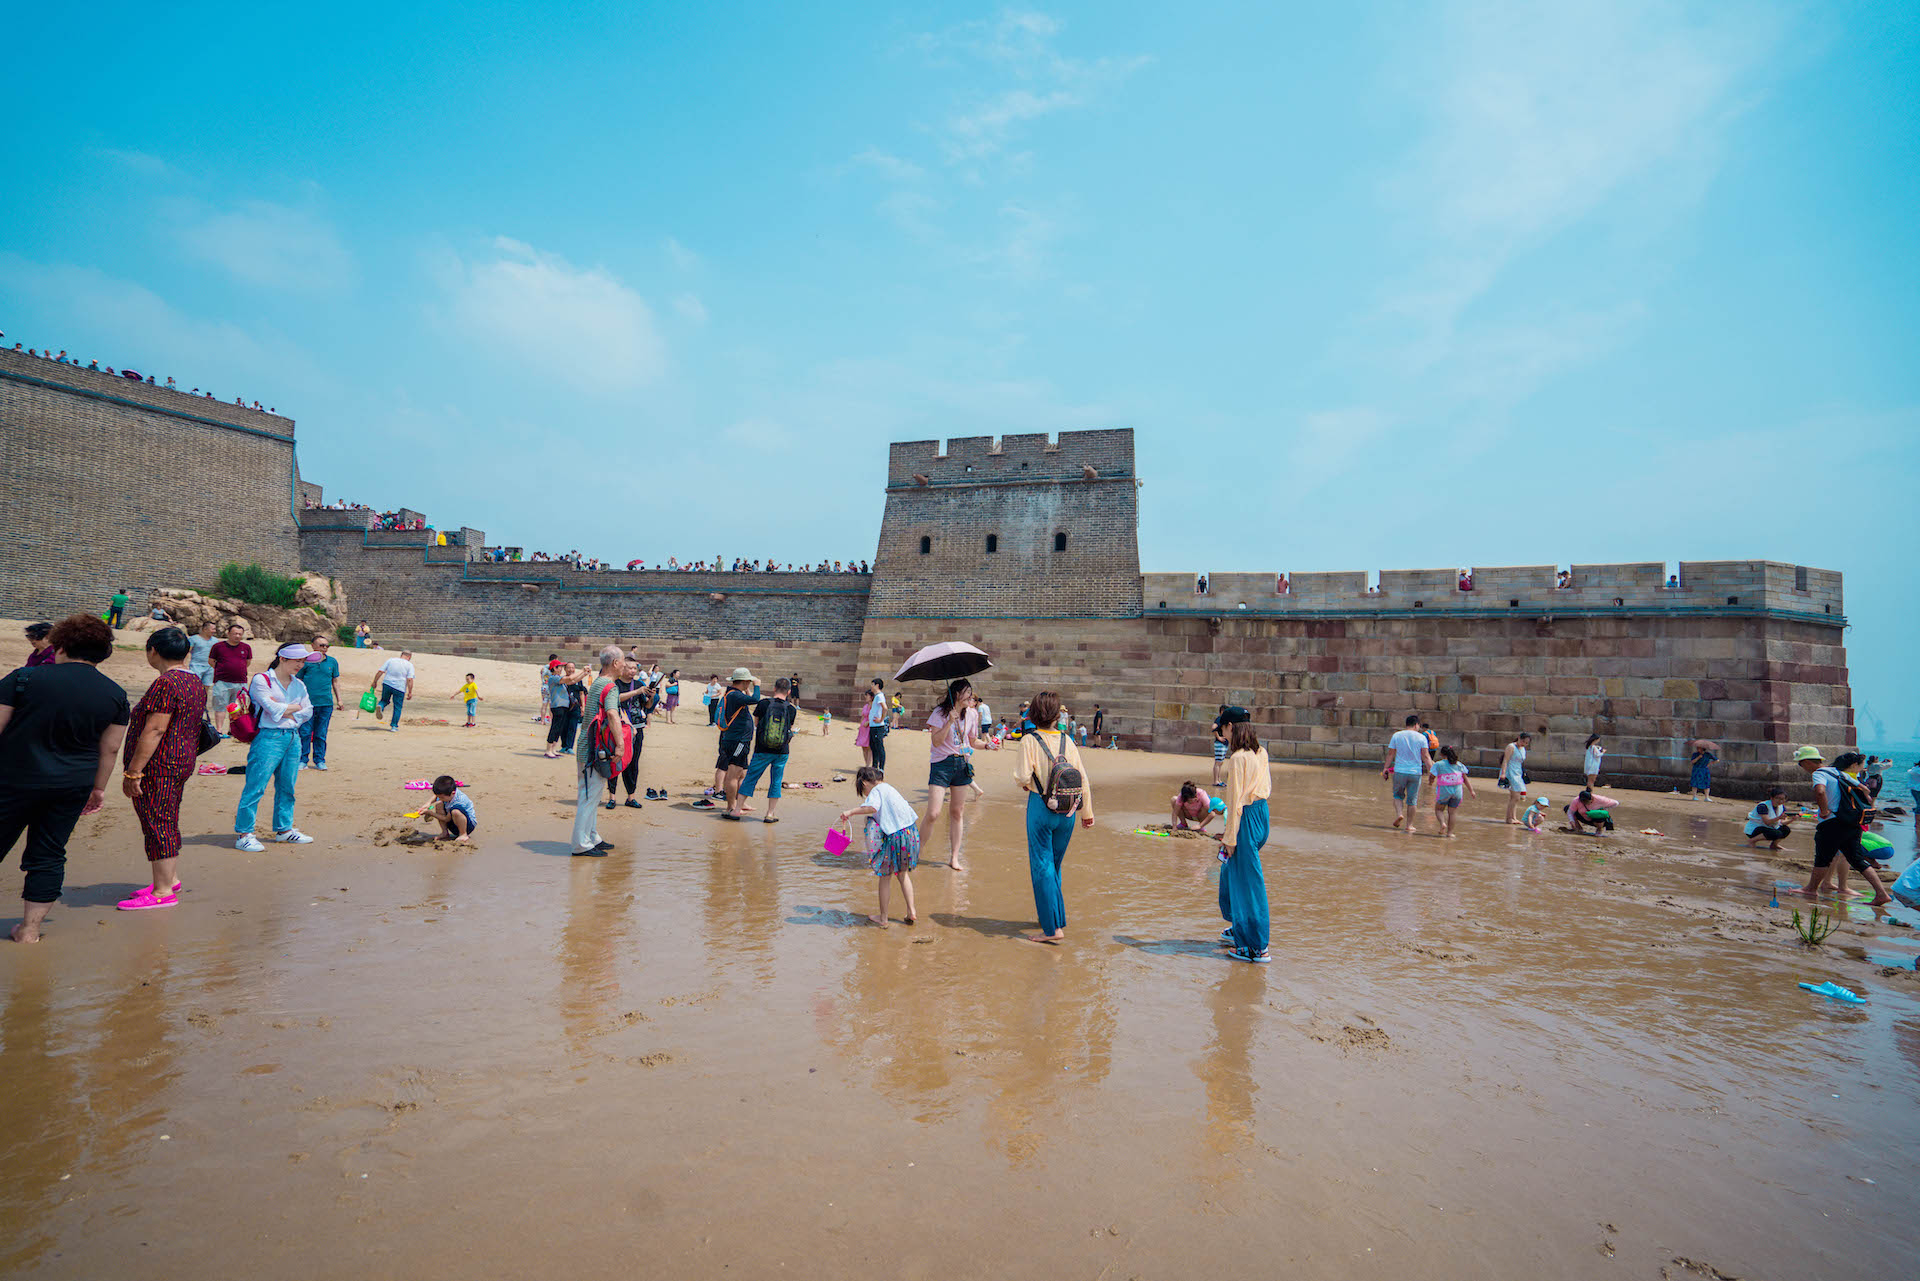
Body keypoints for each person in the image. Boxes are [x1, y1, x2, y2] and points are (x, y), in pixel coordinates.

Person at [0, 615, 131, 941]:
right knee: (48, 854)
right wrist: (98, 789)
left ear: (60, 644)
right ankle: (29, 931)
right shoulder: (114, 695)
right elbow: (110, 750)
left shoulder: (23, 679)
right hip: (72, 785)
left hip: (13, 779)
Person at [118, 627, 206, 909]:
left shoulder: (167, 683)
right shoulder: (193, 681)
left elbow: (155, 729)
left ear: (153, 651)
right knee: (165, 817)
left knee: (158, 821)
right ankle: (170, 877)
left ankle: (163, 891)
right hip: (180, 760)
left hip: (161, 765)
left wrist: (133, 771)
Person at [1015, 691, 1095, 944]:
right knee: (1055, 865)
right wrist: (1088, 813)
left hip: (1041, 807)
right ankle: (1053, 917)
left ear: (1034, 714)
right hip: (1069, 811)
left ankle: (1052, 929)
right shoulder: (1067, 741)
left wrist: (1029, 785)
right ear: (1057, 715)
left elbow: (1021, 776)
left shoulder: (1029, 740)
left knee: (1042, 864)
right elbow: (1083, 778)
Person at [233, 643, 316, 851]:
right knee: (256, 785)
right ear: (283, 658)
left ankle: (284, 829)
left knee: (287, 786)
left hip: (292, 737)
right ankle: (244, 833)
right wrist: (294, 708)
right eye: (297, 660)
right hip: (268, 737)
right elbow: (270, 708)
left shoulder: (299, 684)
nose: (301, 664)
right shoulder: (263, 680)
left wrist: (288, 710)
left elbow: (308, 711)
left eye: (303, 661)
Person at [1796, 751, 1890, 906]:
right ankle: (1882, 894)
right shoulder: (1838, 773)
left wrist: (1825, 811)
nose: (1801, 767)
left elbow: (1819, 792)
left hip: (1833, 823)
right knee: (1857, 859)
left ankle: (1811, 889)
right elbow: (1865, 791)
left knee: (1822, 857)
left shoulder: (1819, 773)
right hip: (1852, 823)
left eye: (1800, 763)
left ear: (1807, 762)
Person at [1215, 720, 1272, 963]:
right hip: (1261, 814)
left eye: (1223, 730)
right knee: (1231, 874)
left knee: (1249, 884)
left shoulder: (1238, 758)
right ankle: (1240, 927)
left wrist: (1230, 837)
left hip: (1246, 817)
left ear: (1231, 727)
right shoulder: (1260, 751)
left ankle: (1256, 947)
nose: (1222, 735)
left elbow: (1235, 800)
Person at [923, 679, 991, 870]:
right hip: (941, 764)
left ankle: (954, 857)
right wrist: (948, 722)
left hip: (962, 763)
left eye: (971, 692)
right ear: (956, 694)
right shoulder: (940, 713)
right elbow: (936, 742)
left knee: (957, 811)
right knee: (934, 812)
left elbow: (972, 741)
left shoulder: (972, 714)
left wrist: (987, 745)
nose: (970, 695)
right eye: (966, 692)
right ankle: (917, 851)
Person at [839, 766, 919, 927]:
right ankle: (911, 911)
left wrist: (850, 812)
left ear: (864, 783)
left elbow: (872, 807)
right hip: (911, 833)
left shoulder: (876, 791)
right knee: (903, 875)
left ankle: (883, 919)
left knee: (885, 877)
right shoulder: (889, 788)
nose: (864, 794)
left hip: (895, 837)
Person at [569, 646, 623, 857]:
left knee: (592, 796)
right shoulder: (609, 685)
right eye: (622, 662)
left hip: (588, 746)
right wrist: (620, 744)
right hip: (593, 749)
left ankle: (591, 837)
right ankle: (580, 844)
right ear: (615, 663)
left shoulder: (599, 683)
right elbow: (611, 713)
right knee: (588, 797)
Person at [739, 678, 799, 823]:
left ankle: (736, 810)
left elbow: (757, 724)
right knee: (776, 781)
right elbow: (788, 729)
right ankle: (770, 814)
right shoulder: (791, 709)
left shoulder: (764, 703)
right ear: (789, 692)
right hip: (782, 751)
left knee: (751, 778)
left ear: (774, 689)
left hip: (762, 749)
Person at [715, 668, 765, 818]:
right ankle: (731, 807)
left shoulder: (736, 695)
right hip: (737, 741)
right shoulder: (735, 695)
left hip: (740, 740)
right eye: (748, 681)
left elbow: (750, 701)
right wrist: (757, 685)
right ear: (744, 681)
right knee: (733, 774)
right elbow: (756, 700)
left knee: (742, 773)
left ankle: (739, 804)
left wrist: (748, 688)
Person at [607, 657, 650, 809]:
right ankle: (611, 797)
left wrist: (652, 697)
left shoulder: (639, 684)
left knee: (633, 763)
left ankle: (630, 797)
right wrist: (636, 692)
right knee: (615, 760)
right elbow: (615, 699)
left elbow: (646, 705)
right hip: (618, 728)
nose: (632, 671)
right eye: (630, 668)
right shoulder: (615, 684)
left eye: (635, 669)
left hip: (637, 728)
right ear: (622, 668)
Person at [296, 635, 340, 769]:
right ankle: (302, 760)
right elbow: (297, 681)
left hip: (326, 703)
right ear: (313, 646)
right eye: (321, 645)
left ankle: (320, 760)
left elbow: (335, 681)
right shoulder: (305, 662)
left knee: (321, 733)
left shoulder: (332, 662)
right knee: (305, 732)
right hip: (307, 704)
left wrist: (339, 700)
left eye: (327, 646)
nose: (325, 648)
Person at [1382, 714, 1432, 832]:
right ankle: (1409, 825)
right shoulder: (1421, 738)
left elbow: (1390, 754)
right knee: (1412, 800)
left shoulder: (1397, 735)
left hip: (1399, 771)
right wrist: (1431, 772)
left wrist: (1385, 768)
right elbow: (1425, 756)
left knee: (1397, 795)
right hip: (1415, 773)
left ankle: (1399, 814)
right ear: (1416, 725)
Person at [208, 622, 252, 735]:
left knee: (237, 708)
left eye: (240, 634)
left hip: (240, 682)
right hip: (222, 682)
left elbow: (247, 662)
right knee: (220, 706)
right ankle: (219, 730)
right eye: (235, 633)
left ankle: (233, 730)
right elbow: (211, 661)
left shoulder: (246, 647)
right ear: (228, 633)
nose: (237, 636)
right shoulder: (218, 647)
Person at [1431, 746, 1475, 838]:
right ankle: (1450, 833)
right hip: (1457, 791)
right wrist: (1471, 791)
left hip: (1444, 791)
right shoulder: (1459, 764)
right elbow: (1465, 779)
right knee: (1452, 812)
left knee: (1439, 809)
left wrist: (1430, 782)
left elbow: (1432, 775)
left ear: (1441, 754)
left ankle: (1443, 823)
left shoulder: (1439, 764)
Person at [422, 775, 477, 842]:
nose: (440, 798)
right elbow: (437, 796)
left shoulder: (459, 801)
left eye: (442, 797)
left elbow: (446, 819)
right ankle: (445, 832)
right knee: (439, 804)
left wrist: (430, 813)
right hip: (453, 822)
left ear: (453, 793)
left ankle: (463, 834)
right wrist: (428, 803)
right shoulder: (448, 793)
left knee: (455, 811)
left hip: (467, 825)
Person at [370, 650, 416, 731]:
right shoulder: (409, 665)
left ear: (401, 655)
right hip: (399, 687)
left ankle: (380, 706)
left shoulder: (391, 660)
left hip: (387, 683)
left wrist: (375, 682)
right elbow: (409, 679)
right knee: (397, 707)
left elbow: (380, 671)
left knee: (384, 700)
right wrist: (410, 692)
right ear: (409, 657)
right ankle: (394, 726)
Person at [543, 660, 577, 757]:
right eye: (559, 667)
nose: (561, 669)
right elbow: (570, 678)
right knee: (555, 727)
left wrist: (584, 674)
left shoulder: (559, 678)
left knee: (559, 729)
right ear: (554, 668)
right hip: (557, 706)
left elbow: (573, 680)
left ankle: (553, 749)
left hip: (563, 706)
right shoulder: (553, 678)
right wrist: (582, 671)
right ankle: (548, 750)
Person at [1500, 732, 1533, 824]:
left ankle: (1513, 817)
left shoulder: (1523, 749)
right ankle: (1509, 818)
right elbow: (1505, 760)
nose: (1524, 744)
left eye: (1526, 743)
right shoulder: (1511, 747)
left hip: (1518, 773)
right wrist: (1503, 773)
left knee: (1515, 797)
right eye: (1523, 741)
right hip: (1510, 772)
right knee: (1515, 796)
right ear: (1518, 738)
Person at [864, 678, 890, 773]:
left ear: (877, 685)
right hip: (873, 726)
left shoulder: (879, 696)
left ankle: (881, 768)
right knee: (873, 746)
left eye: (872, 684)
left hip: (878, 726)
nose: (871, 686)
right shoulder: (877, 696)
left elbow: (885, 708)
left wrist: (881, 719)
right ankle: (874, 766)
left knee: (879, 747)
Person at [186, 619, 216, 690]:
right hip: (195, 666)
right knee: (194, 686)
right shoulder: (193, 639)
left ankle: (204, 701)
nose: (214, 631)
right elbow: (187, 652)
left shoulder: (215, 641)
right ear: (205, 629)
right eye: (213, 629)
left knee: (207, 687)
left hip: (210, 668)